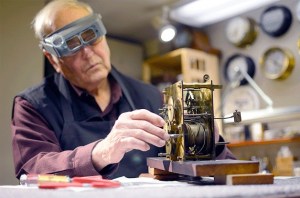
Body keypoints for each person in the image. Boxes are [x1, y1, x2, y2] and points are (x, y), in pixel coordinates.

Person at [11, 0, 235, 180]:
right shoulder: (34, 105)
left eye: (92, 36)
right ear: (52, 58)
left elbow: (225, 166)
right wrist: (103, 151)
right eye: (71, 45)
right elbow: (31, 170)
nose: (88, 53)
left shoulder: (150, 96)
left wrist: (209, 145)